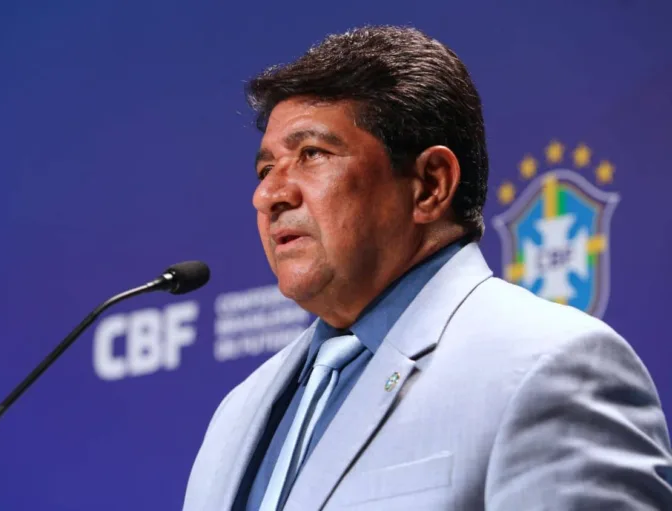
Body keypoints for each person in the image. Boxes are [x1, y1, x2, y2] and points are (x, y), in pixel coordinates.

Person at [183, 26, 672, 510]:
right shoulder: (238, 413)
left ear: (430, 186)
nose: (268, 194)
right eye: (266, 169)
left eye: (312, 154)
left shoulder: (549, 368)